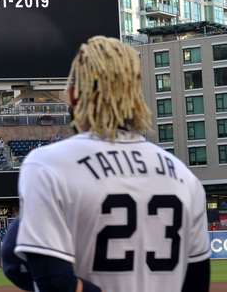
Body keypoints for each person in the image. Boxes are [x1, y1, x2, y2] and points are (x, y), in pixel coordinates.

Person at [12, 36, 210, 292]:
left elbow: (56, 283)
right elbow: (196, 283)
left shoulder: (48, 164)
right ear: (136, 97)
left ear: (72, 95)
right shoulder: (184, 177)